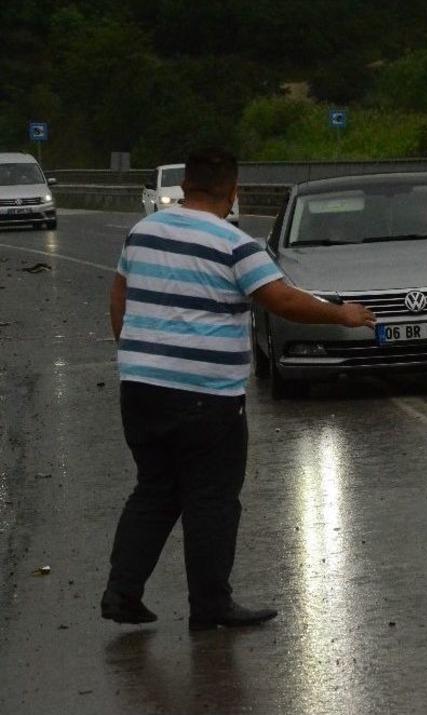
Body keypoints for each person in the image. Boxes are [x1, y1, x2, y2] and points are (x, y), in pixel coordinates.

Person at [100, 147, 376, 631]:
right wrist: (342, 315)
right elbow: (281, 300)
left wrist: (135, 353)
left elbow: (119, 294)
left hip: (140, 389)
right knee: (212, 498)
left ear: (185, 186)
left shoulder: (142, 232)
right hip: (207, 395)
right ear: (232, 191)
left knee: (155, 488)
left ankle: (122, 592)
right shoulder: (235, 243)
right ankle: (210, 606)